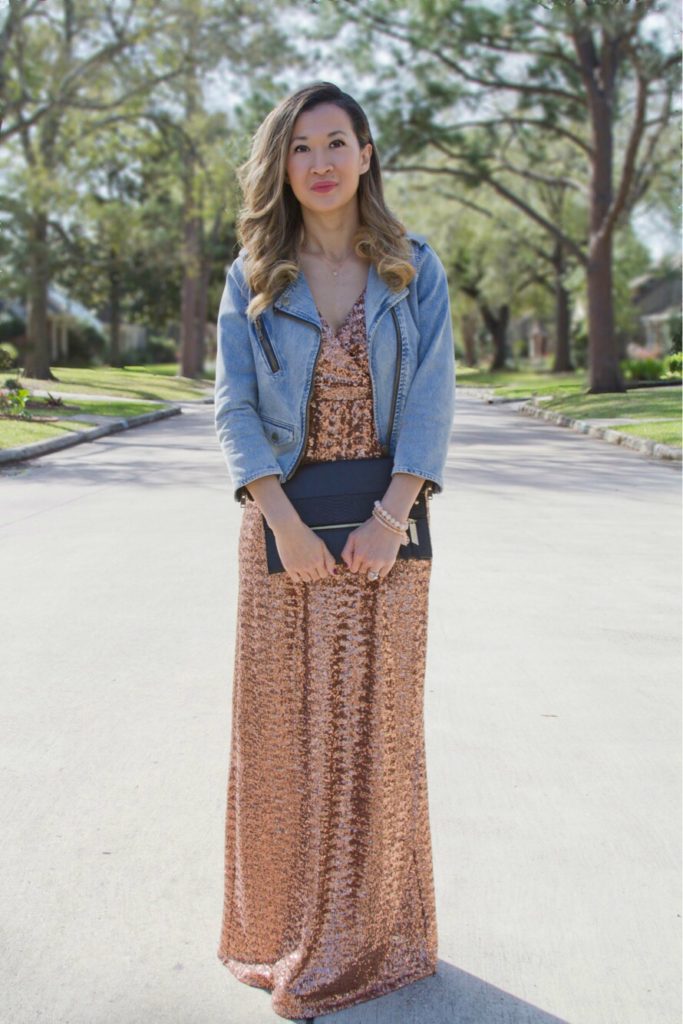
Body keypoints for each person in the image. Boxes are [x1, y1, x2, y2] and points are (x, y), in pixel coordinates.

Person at [214, 81, 456, 1021]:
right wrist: (279, 519)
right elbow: (233, 406)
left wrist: (389, 518)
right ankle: (283, 927)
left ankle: (371, 935)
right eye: (301, 145)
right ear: (282, 163)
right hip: (280, 530)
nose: (319, 161)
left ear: (365, 155)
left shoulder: (411, 267)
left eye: (336, 142)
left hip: (385, 532)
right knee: (283, 733)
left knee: (376, 731)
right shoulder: (254, 276)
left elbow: (432, 397)